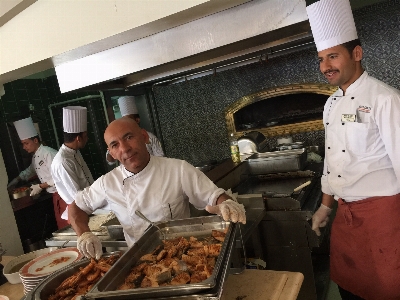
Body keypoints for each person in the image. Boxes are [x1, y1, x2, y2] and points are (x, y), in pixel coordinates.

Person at [306, 0, 400, 299]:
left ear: (356, 54)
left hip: (383, 217)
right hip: (345, 217)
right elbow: (332, 161)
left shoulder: (386, 99)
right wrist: (324, 206)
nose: (325, 67)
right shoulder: (331, 103)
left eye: (332, 56)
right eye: (321, 59)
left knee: (386, 291)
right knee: (349, 291)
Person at [69, 117, 246, 260]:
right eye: (115, 145)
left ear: (144, 137)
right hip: (139, 262)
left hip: (183, 257)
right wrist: (84, 234)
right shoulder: (107, 183)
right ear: (112, 153)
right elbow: (76, 207)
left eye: (129, 137)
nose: (125, 149)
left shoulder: (178, 169)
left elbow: (214, 195)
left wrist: (226, 203)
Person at [7, 117, 69, 229]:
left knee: (69, 226)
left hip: (63, 195)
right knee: (63, 226)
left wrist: (40, 186)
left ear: (35, 140)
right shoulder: (36, 156)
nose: (24, 147)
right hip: (55, 195)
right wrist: (17, 179)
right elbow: (31, 169)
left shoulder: (48, 153)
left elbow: (59, 177)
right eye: (22, 144)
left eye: (26, 143)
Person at [51, 106, 95, 223]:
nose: (87, 138)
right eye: (85, 135)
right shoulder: (63, 161)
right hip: (79, 212)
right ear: (78, 138)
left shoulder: (75, 152)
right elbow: (77, 195)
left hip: (88, 207)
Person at [106, 96, 164, 164]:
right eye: (124, 121)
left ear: (137, 120)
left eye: (129, 120)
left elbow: (160, 158)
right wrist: (113, 151)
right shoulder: (117, 138)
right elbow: (110, 161)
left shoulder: (150, 137)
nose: (126, 123)